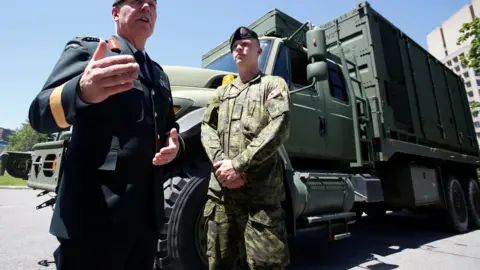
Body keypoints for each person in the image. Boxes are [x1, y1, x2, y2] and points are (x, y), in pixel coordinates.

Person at [28, 0, 184, 269]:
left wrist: (176, 144)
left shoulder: (159, 75)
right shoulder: (91, 52)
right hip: (94, 218)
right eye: (137, 2)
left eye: (152, 5)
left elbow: (170, 127)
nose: (146, 8)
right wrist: (80, 92)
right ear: (115, 13)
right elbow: (39, 113)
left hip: (146, 221)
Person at [200, 26, 292, 270]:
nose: (239, 48)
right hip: (221, 196)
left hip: (259, 197)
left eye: (246, 44)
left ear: (259, 51)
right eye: (235, 46)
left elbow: (278, 126)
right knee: (220, 262)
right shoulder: (221, 93)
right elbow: (206, 127)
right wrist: (222, 164)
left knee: (267, 264)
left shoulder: (273, 85)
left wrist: (239, 165)